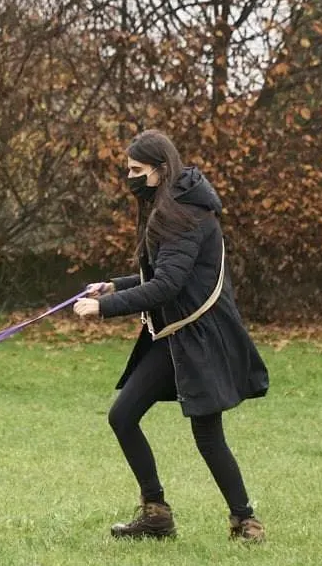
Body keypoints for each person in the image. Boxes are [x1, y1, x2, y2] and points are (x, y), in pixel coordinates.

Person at [72, 130, 269, 542]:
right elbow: (161, 273)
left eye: (136, 171)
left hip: (200, 338)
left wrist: (104, 308)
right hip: (175, 336)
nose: (130, 178)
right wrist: (115, 286)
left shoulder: (183, 215)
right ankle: (156, 514)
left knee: (207, 434)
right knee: (123, 416)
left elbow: (168, 286)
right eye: (128, 169)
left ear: (161, 171)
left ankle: (245, 522)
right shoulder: (172, 207)